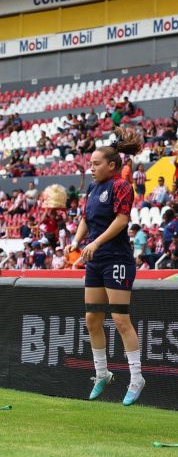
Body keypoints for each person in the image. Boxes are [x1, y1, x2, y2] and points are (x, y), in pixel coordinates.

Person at [65, 127, 145, 406]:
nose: (92, 168)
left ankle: (136, 378)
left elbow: (122, 220)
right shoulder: (93, 187)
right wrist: (75, 241)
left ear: (112, 165)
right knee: (91, 319)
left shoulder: (121, 186)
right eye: (91, 164)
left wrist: (95, 243)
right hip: (95, 260)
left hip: (117, 259)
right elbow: (86, 218)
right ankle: (102, 373)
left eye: (96, 164)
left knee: (121, 319)